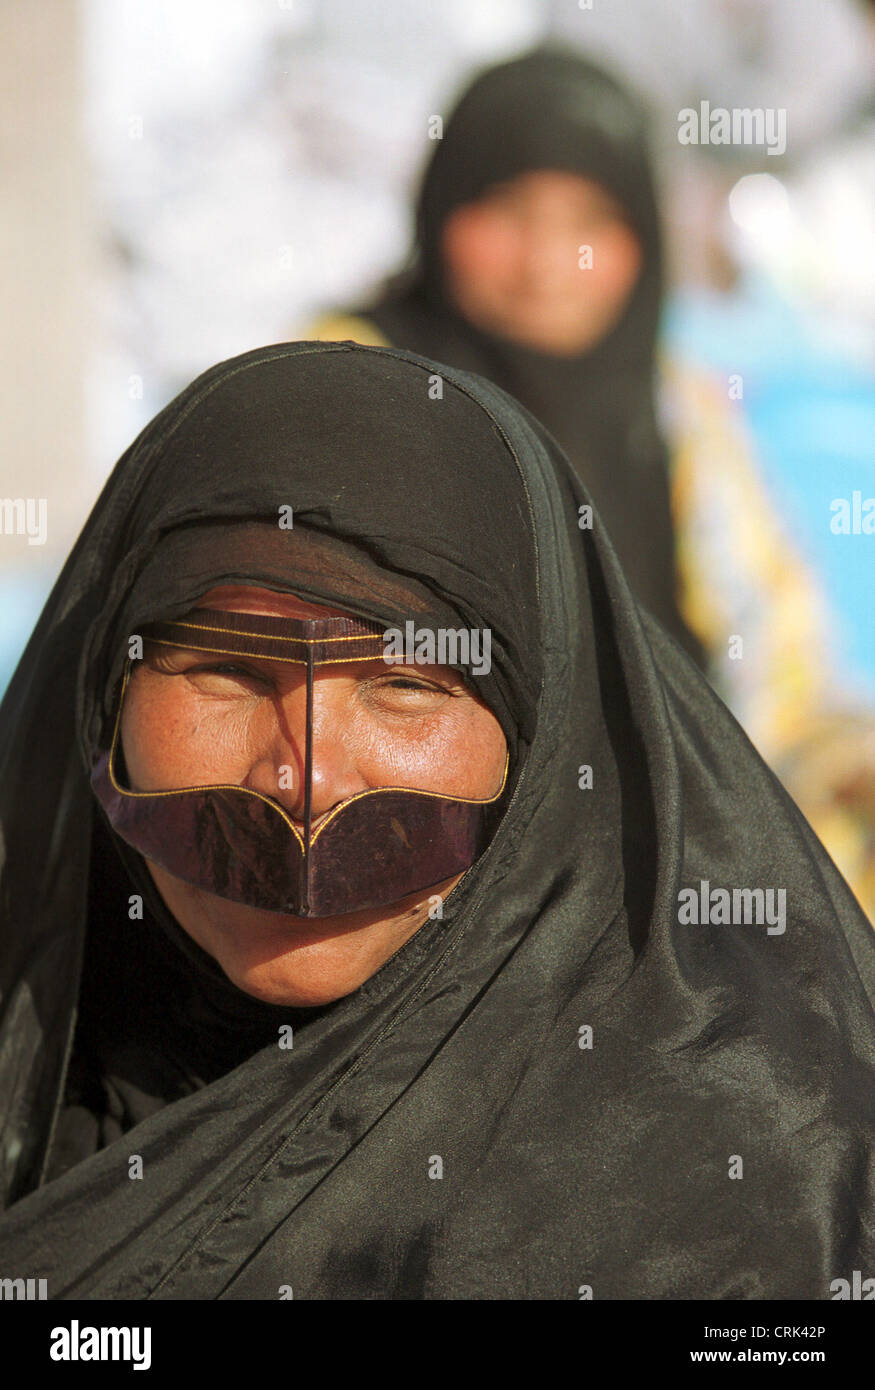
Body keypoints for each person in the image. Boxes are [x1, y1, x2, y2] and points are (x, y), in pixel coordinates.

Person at [0, 341, 872, 1300]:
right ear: (106, 699)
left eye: (405, 686)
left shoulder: (728, 1202)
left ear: (537, 741)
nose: (306, 780)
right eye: (228, 673)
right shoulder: (40, 1060)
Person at [313, 47, 875, 921]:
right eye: (505, 211)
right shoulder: (348, 389)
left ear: (641, 241)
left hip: (672, 864)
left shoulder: (672, 412)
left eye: (587, 225)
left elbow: (773, 664)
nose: (545, 262)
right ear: (439, 209)